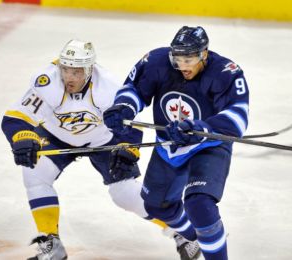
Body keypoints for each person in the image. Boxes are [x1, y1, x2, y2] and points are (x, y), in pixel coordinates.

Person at [1, 39, 200, 260]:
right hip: (57, 136)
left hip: (103, 140)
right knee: (34, 174)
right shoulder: (46, 82)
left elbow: (131, 125)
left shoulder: (108, 87)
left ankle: (185, 233)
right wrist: (22, 136)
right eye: (65, 69)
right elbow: (14, 118)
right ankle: (51, 242)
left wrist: (128, 149)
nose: (69, 77)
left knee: (124, 194)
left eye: (76, 72)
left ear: (89, 70)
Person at [103, 26, 249, 260]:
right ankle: (199, 237)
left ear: (204, 54)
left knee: (199, 204)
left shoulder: (225, 72)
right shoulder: (157, 61)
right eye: (177, 59)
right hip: (170, 146)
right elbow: (133, 90)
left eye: (188, 59)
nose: (182, 66)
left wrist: (201, 128)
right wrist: (124, 108)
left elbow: (238, 116)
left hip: (208, 146)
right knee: (156, 206)